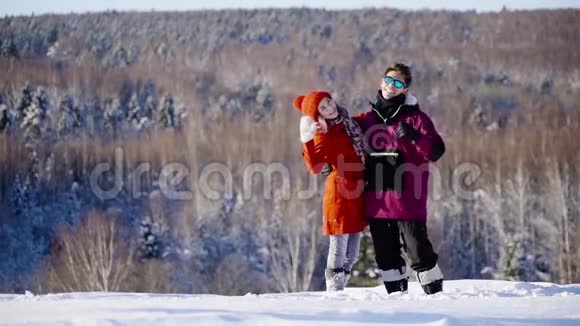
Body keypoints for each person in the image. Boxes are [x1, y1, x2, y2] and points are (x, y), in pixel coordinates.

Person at [354, 63, 446, 295]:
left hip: (407, 199)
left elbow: (436, 151)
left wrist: (415, 137)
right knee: (386, 256)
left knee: (419, 253)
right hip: (377, 201)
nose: (391, 86)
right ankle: (397, 302)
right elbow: (339, 140)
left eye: (398, 83)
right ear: (381, 81)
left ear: (405, 89)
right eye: (388, 80)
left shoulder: (416, 119)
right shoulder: (366, 120)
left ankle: (436, 297)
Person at [294, 91, 368, 291]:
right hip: (339, 195)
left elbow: (369, 119)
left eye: (328, 102)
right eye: (323, 108)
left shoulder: (350, 124)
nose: (330, 107)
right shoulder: (322, 135)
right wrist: (307, 139)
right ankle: (334, 289)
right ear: (319, 116)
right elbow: (315, 166)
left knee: (352, 253)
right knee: (338, 245)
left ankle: (340, 284)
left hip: (358, 192)